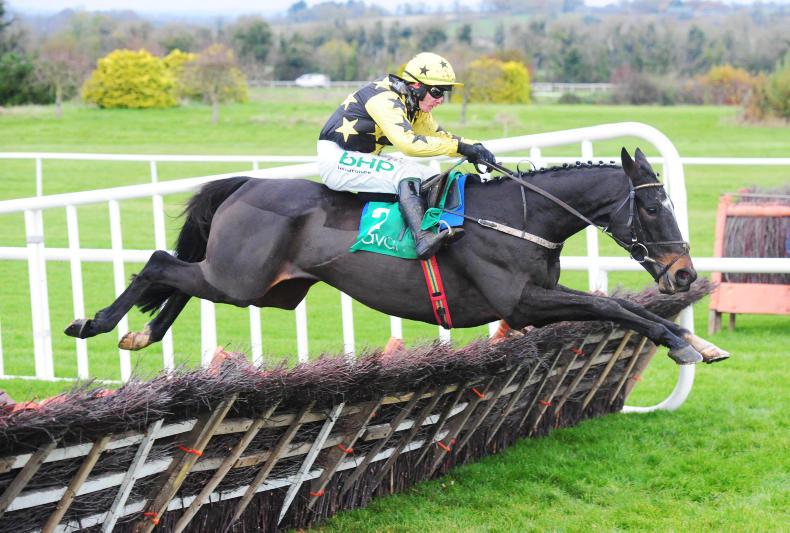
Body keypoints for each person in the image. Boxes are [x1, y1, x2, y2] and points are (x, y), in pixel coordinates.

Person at [317, 52, 497, 259]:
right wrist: (461, 147)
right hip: (337, 159)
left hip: (360, 157)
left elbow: (438, 135)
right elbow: (408, 144)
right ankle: (422, 238)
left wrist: (473, 146)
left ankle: (438, 226)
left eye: (444, 93)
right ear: (416, 85)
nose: (440, 100)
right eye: (437, 92)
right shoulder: (384, 98)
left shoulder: (413, 103)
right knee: (407, 171)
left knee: (431, 175)